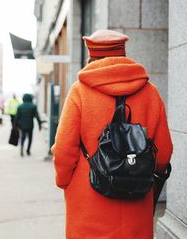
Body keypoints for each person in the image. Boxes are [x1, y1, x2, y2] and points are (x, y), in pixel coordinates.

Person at [51, 30, 173, 238]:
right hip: (136, 197)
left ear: (91, 57)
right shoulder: (150, 92)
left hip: (88, 199)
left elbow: (64, 149)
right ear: (123, 55)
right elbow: (164, 152)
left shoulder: (79, 91)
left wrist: (63, 181)